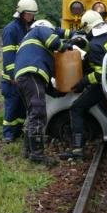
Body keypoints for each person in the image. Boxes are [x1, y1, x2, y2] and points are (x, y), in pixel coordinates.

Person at [59, 10, 107, 160]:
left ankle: (77, 150)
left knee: (77, 108)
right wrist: (82, 44)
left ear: (89, 27)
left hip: (105, 84)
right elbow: (101, 51)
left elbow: (100, 74)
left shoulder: (95, 45)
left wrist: (82, 82)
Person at [14, 19, 74, 164]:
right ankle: (37, 154)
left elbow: (44, 80)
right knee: (39, 113)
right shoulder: (40, 30)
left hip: (25, 77)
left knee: (32, 113)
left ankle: (28, 150)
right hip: (31, 74)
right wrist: (66, 46)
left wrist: (56, 92)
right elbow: (55, 43)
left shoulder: (32, 46)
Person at [0, 0, 38, 143]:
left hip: (22, 76)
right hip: (11, 80)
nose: (32, 17)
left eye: (33, 14)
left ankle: (18, 131)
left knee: (22, 107)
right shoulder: (11, 30)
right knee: (12, 107)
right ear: (21, 13)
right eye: (29, 14)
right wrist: (12, 76)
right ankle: (8, 134)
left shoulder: (26, 28)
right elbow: (8, 57)